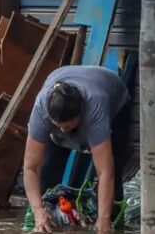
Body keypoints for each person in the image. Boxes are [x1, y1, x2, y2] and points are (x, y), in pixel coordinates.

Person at [23, 65, 131, 232]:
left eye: (67, 127)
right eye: (58, 126)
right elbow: (31, 168)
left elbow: (105, 172)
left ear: (81, 114)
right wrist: (38, 211)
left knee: (114, 169)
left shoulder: (95, 110)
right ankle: (44, 221)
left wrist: (103, 220)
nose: (63, 131)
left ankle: (113, 223)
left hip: (113, 95)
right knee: (48, 168)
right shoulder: (41, 110)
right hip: (63, 86)